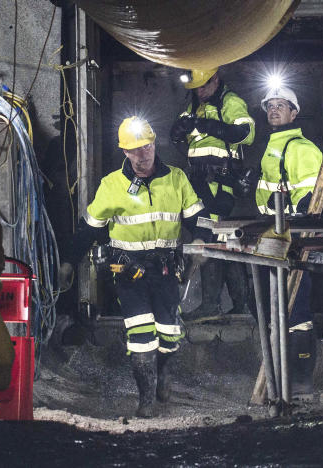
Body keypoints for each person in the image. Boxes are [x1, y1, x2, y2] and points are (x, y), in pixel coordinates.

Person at [69, 116, 206, 417]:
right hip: (129, 273)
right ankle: (145, 398)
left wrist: (201, 244)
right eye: (134, 150)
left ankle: (163, 374)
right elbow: (89, 229)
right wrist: (69, 261)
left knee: (169, 335)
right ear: (125, 153)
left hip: (168, 270)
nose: (142, 155)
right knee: (142, 337)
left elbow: (200, 219)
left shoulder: (176, 179)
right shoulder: (111, 185)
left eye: (146, 147)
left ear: (155, 144)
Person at [170, 67, 255, 321]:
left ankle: (211, 305)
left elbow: (245, 134)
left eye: (204, 85)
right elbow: (178, 135)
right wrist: (178, 129)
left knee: (209, 238)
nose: (200, 90)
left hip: (219, 185)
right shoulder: (194, 104)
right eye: (196, 87)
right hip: (197, 185)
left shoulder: (230, 102)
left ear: (216, 79)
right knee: (222, 241)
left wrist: (212, 126)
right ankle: (240, 305)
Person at [257, 84, 322, 398]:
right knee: (276, 308)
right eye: (270, 106)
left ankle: (300, 382)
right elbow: (266, 197)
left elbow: (311, 204)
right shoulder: (273, 148)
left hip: (293, 238)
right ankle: (282, 380)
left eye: (281, 105)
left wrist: (283, 207)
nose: (273, 110)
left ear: (294, 113)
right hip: (273, 237)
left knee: (296, 310)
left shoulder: (301, 148)